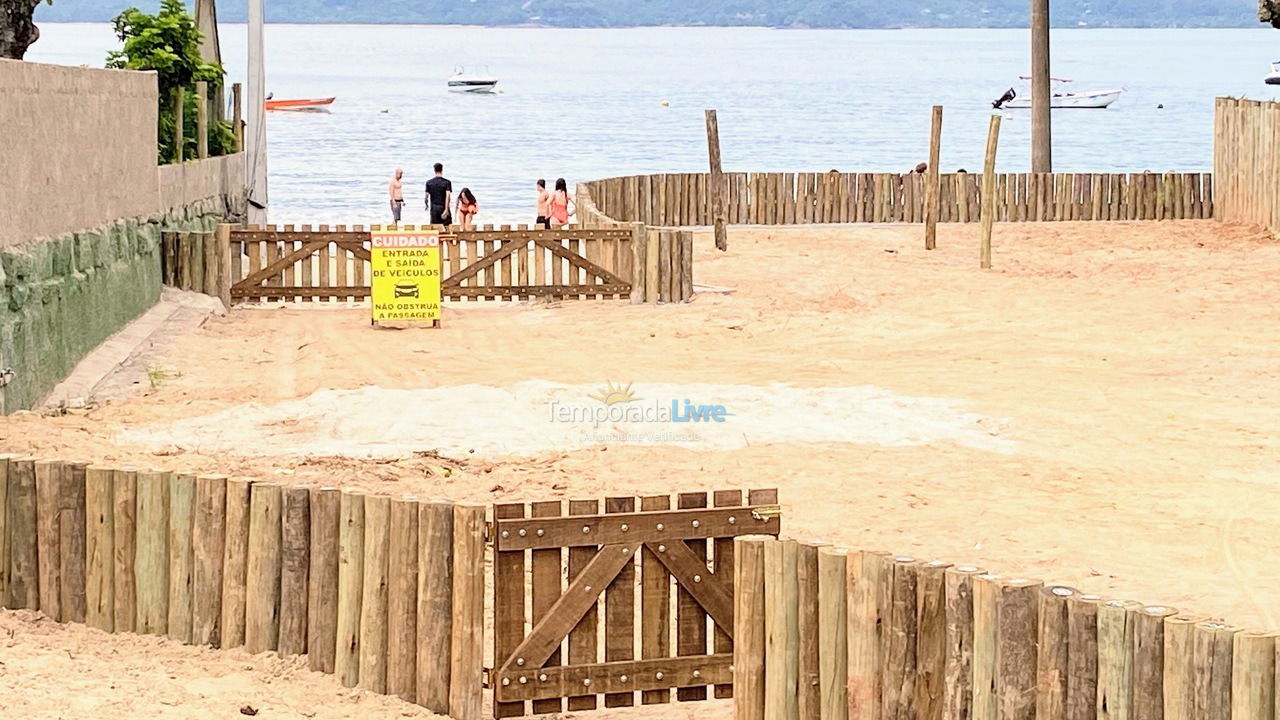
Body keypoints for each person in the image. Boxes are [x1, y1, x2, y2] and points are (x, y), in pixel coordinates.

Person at [424, 163, 452, 227]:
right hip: (443, 206)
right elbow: (448, 196)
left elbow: (426, 197)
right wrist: (446, 209)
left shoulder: (429, 182)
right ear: (442, 170)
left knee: (434, 227)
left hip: (434, 208)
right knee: (447, 226)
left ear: (434, 170)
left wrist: (426, 205)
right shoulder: (447, 182)